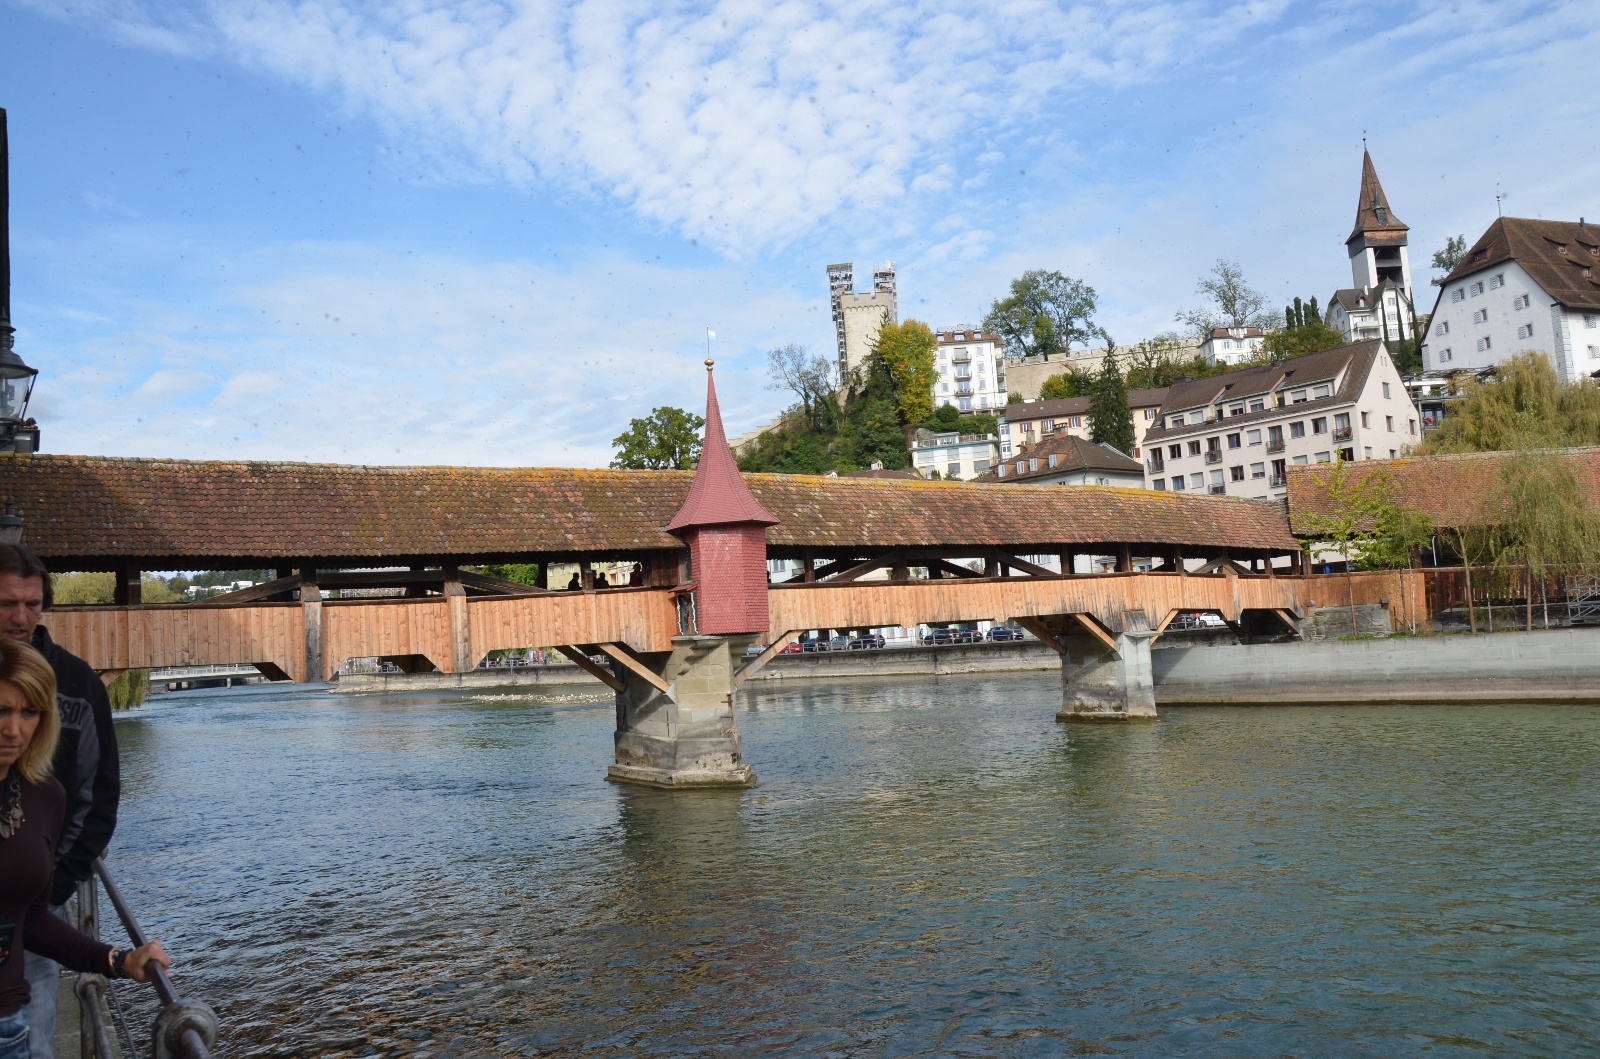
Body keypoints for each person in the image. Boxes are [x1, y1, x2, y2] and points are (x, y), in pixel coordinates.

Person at [0, 637, 168, 1059]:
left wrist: (117, 960)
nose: (13, 729)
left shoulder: (44, 798)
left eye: (29, 712)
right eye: (1, 709)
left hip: (8, 1025)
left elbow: (32, 918)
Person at [0, 546, 120, 1059]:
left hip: (35, 903)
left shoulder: (78, 686)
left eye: (31, 604)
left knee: (33, 1040)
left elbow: (100, 798)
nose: (20, 617)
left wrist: (52, 884)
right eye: (6, 603)